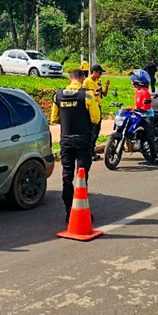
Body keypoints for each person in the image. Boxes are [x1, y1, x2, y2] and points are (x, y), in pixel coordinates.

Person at [51, 69, 101, 222]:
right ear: (81, 78)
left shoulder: (57, 96)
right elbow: (95, 118)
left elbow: (54, 119)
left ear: (70, 79)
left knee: (67, 175)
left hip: (65, 140)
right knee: (82, 176)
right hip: (82, 140)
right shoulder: (87, 95)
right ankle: (81, 209)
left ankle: (68, 211)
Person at [130, 69, 158, 166]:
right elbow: (137, 104)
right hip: (139, 114)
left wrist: (140, 109)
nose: (132, 83)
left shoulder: (145, 92)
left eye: (134, 82)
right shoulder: (137, 91)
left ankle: (155, 157)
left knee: (149, 136)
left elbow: (146, 106)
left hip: (147, 116)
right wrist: (132, 108)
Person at [82, 64, 110, 161]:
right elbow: (83, 94)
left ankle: (92, 151)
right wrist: (93, 94)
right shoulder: (86, 82)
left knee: (97, 130)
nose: (101, 75)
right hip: (90, 108)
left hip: (98, 107)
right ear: (94, 72)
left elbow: (104, 94)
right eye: (100, 73)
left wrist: (106, 87)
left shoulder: (98, 81)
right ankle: (89, 153)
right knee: (91, 130)